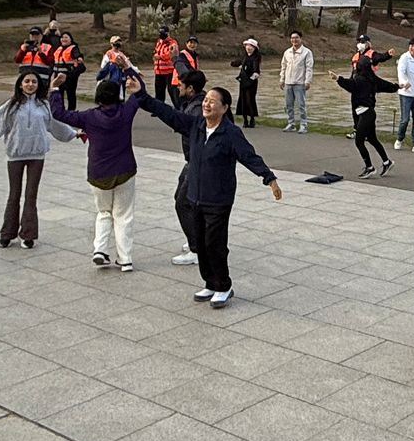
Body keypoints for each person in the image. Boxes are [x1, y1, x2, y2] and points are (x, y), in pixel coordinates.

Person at [136, 80, 281, 307]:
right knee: (201, 243)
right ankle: (210, 283)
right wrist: (141, 95)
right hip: (195, 196)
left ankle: (224, 285)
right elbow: (167, 113)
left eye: (213, 102)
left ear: (224, 108)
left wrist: (269, 178)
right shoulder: (196, 126)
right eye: (206, 100)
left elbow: (249, 156)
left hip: (218, 199)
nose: (207, 104)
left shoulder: (230, 133)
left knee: (215, 244)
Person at [0, 69, 76, 248]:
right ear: (20, 84)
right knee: (14, 195)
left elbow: (56, 125)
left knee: (31, 196)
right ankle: (7, 234)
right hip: (15, 155)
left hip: (37, 155)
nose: (30, 84)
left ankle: (28, 235)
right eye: (26, 81)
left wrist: (74, 133)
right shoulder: (11, 106)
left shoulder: (44, 105)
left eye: (34, 82)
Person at [52, 73, 143, 271]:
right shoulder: (126, 112)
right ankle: (125, 258)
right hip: (125, 169)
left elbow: (59, 113)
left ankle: (100, 249)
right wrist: (130, 71)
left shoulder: (88, 117)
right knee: (124, 215)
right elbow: (139, 94)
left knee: (103, 212)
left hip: (99, 172)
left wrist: (55, 90)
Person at [164, 69, 210, 266]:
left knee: (183, 202)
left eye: (181, 85)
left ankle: (196, 248)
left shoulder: (197, 108)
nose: (177, 87)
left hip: (198, 162)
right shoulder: (193, 102)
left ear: (190, 89)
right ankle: (197, 241)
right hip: (192, 160)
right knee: (183, 199)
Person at [336, 50, 400, 178]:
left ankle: (370, 167)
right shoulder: (372, 79)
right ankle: (387, 162)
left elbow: (350, 85)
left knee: (359, 141)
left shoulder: (359, 79)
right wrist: (397, 87)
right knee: (372, 139)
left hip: (365, 113)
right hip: (369, 113)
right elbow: (385, 85)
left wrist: (338, 79)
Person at [280, 31, 314, 132]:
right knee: (289, 105)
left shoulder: (307, 52)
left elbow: (309, 68)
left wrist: (308, 81)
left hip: (300, 83)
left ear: (301, 39)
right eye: (292, 38)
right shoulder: (287, 52)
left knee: (301, 105)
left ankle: (303, 124)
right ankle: (291, 124)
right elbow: (283, 66)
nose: (294, 40)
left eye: (296, 38)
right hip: (288, 82)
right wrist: (282, 79)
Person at [230, 37, 263, 127]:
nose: (248, 47)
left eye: (251, 46)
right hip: (243, 81)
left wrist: (252, 79)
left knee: (250, 100)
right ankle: (245, 120)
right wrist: (234, 63)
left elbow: (256, 70)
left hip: (251, 82)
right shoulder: (244, 56)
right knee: (243, 100)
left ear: (254, 48)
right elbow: (237, 63)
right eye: (247, 46)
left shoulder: (256, 57)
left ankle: (252, 119)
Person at [53, 31, 85, 106]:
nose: (64, 39)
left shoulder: (73, 48)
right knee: (59, 95)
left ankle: (71, 112)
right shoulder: (59, 48)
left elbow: (77, 54)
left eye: (66, 37)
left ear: (71, 39)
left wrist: (79, 58)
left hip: (69, 76)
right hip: (58, 76)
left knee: (70, 94)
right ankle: (61, 111)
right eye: (62, 37)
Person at [151, 27, 179, 104]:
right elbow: (155, 52)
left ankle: (178, 107)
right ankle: (158, 108)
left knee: (172, 90)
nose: (161, 35)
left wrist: (160, 57)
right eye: (160, 33)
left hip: (169, 71)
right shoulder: (159, 42)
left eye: (163, 33)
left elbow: (171, 54)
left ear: (167, 33)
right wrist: (155, 56)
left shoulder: (173, 43)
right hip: (158, 71)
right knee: (159, 92)